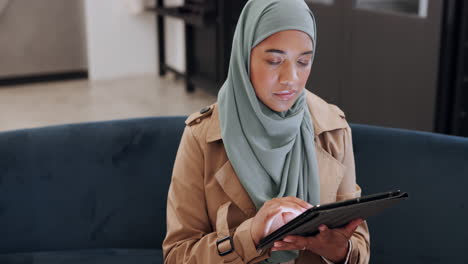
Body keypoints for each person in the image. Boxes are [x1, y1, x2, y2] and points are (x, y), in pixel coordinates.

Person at [162, 0, 370, 263]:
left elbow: (359, 246)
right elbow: (177, 256)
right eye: (274, 61)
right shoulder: (202, 137)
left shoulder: (333, 129)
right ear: (243, 56)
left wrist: (339, 251)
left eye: (304, 61)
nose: (290, 78)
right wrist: (250, 237)